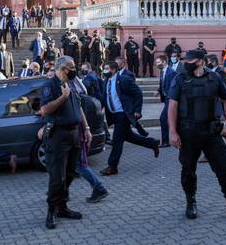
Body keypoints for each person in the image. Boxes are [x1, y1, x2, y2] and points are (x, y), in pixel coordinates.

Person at [168, 50, 226, 220]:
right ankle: (191, 203)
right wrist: (172, 132)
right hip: (188, 133)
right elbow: (172, 105)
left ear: (201, 61)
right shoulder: (179, 78)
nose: (186, 63)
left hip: (211, 132)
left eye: (190, 60)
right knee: (188, 170)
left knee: (225, 168)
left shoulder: (214, 78)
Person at [37, 56, 91, 229]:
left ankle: (62, 206)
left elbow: (79, 107)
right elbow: (44, 110)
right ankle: (51, 211)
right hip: (58, 136)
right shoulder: (50, 85)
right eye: (72, 67)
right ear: (63, 69)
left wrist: (87, 128)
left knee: (69, 174)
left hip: (74, 134)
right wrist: (62, 97)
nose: (75, 69)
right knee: (57, 176)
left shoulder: (71, 83)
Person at [100, 61, 159, 176]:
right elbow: (105, 96)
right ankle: (152, 143)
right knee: (128, 136)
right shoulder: (106, 81)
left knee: (117, 140)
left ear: (114, 69)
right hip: (114, 114)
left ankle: (112, 166)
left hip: (123, 114)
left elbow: (138, 93)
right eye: (104, 69)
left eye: (107, 69)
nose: (105, 71)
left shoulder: (124, 80)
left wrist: (137, 110)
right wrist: (99, 108)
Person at [157, 55, 176, 148]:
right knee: (167, 119)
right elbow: (162, 83)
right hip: (166, 98)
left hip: (170, 99)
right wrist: (158, 91)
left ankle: (165, 141)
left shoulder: (171, 72)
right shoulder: (162, 71)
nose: (157, 64)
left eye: (158, 62)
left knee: (163, 118)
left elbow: (174, 86)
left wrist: (171, 97)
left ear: (164, 62)